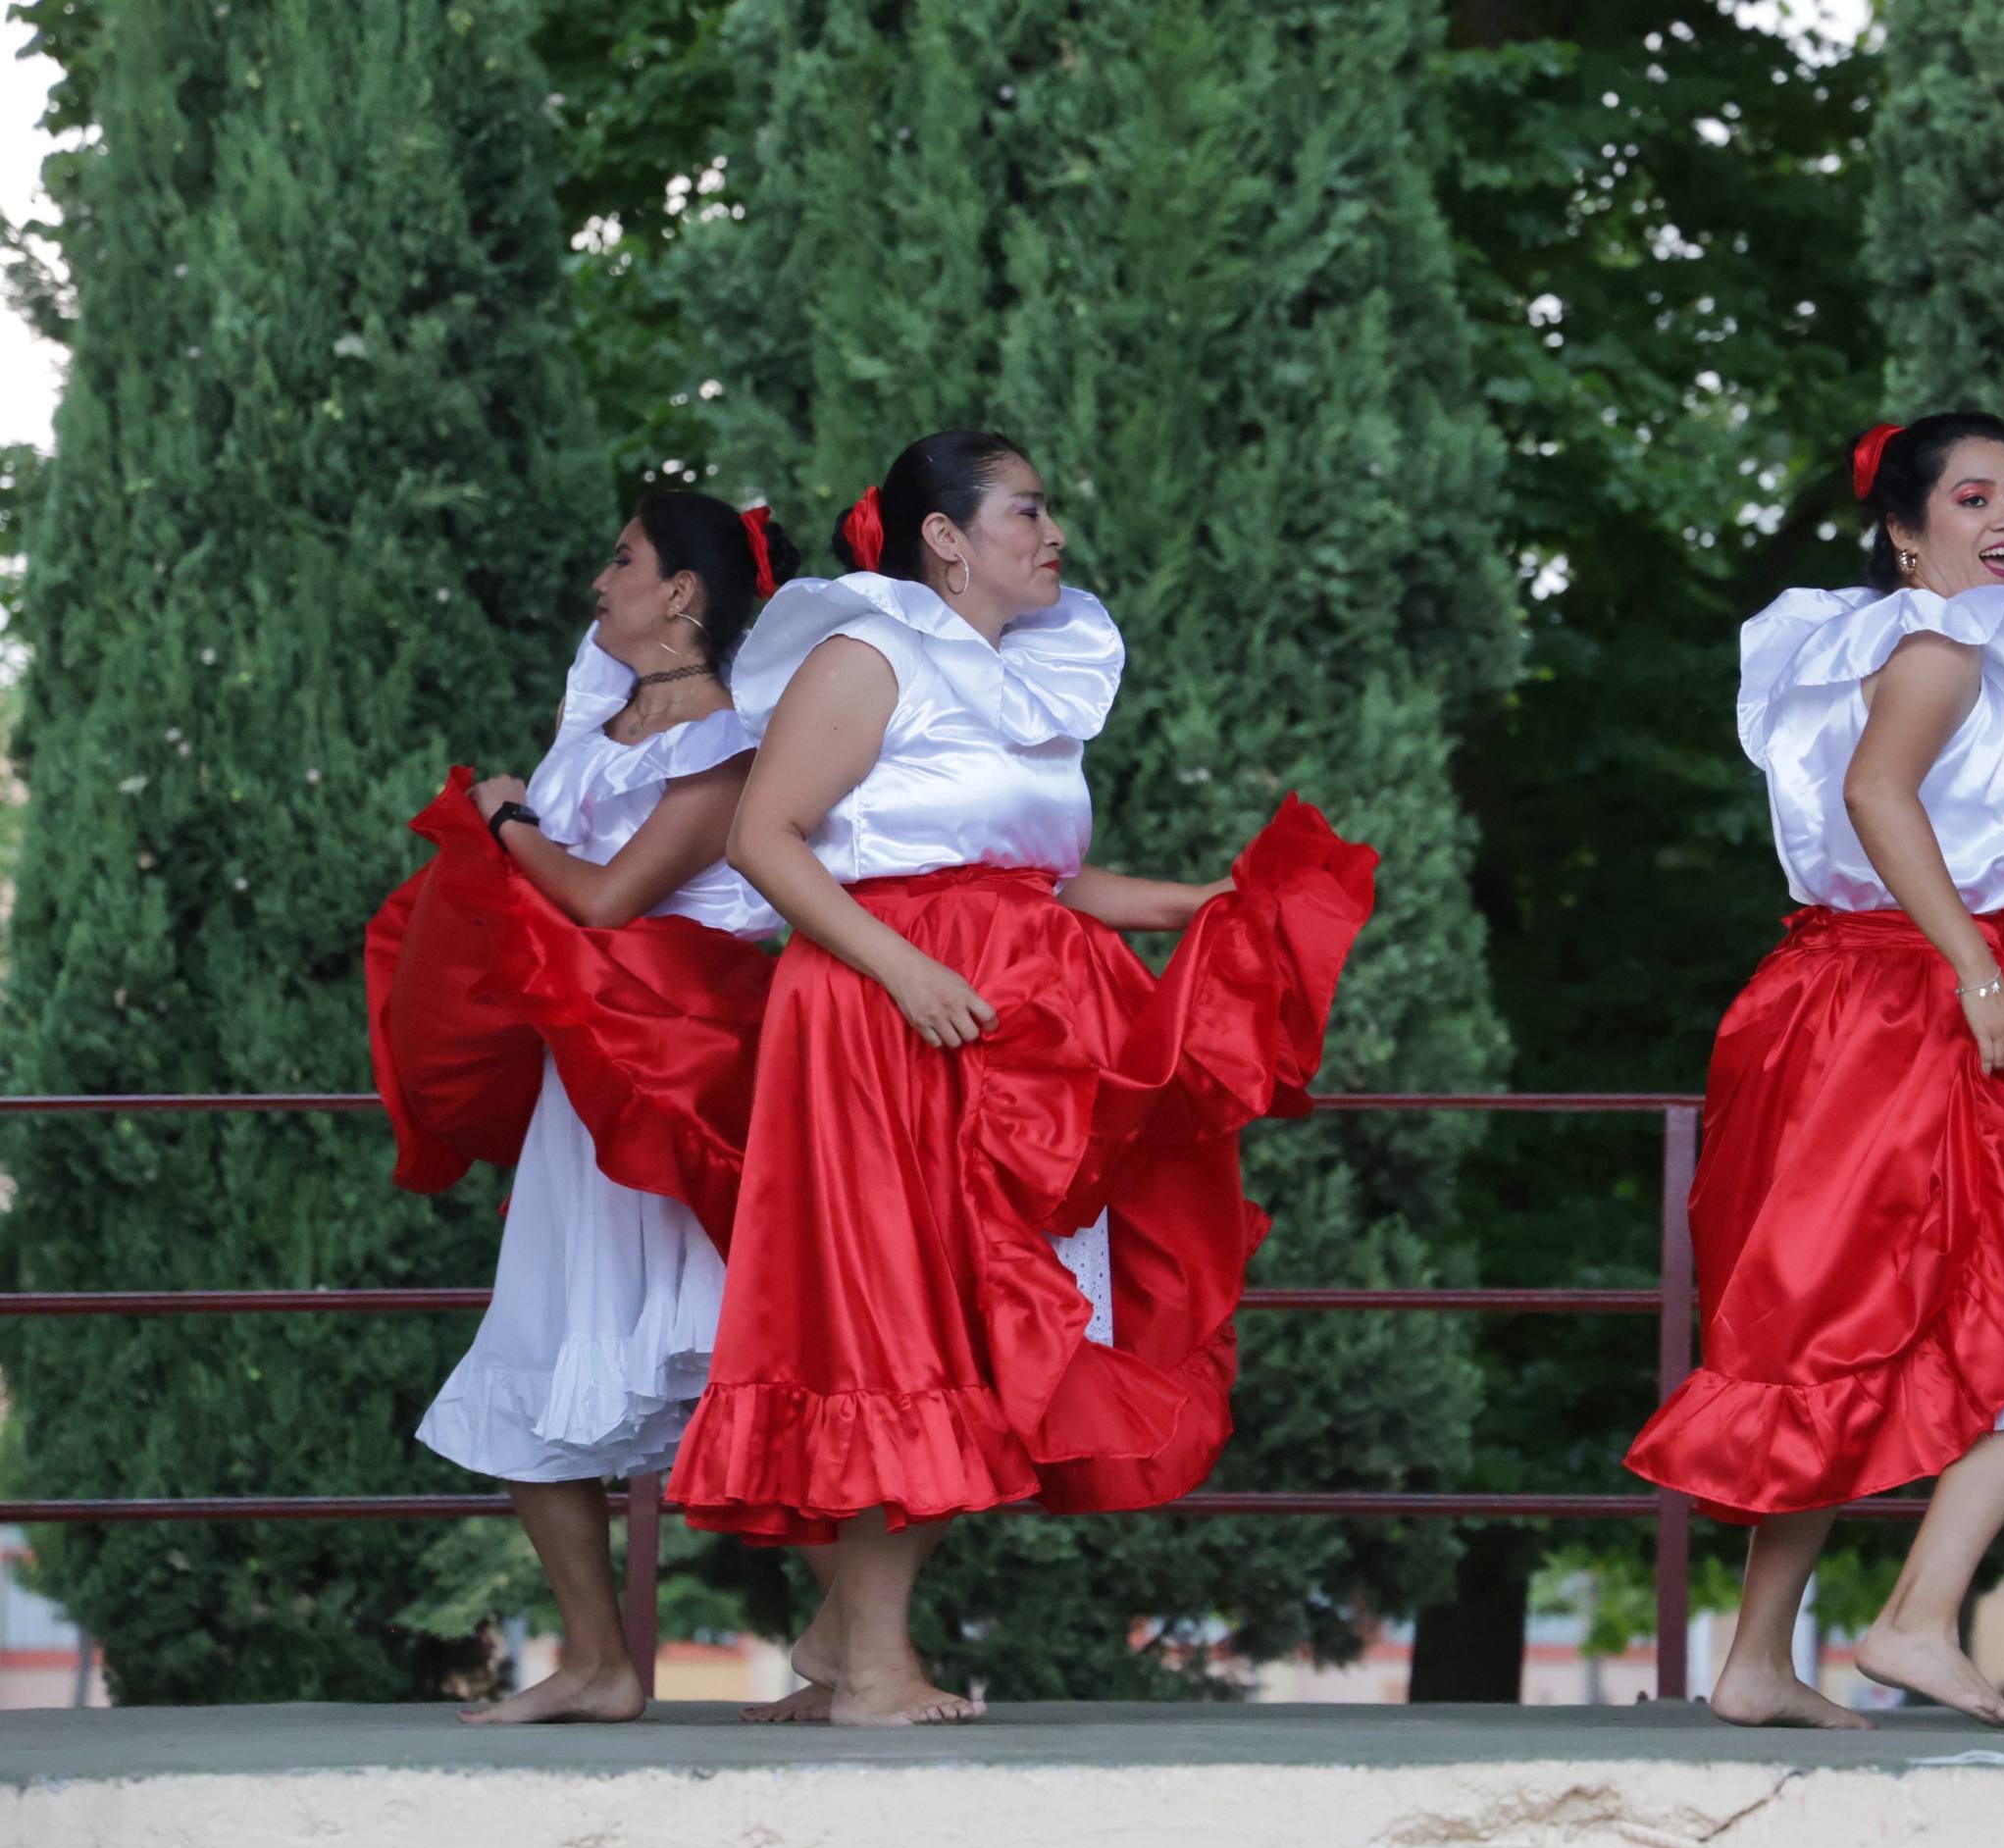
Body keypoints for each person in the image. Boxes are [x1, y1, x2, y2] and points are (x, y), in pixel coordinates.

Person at [666, 430, 1379, 1726]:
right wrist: (902, 974)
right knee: (902, 1323)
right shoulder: (866, 649)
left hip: (1012, 1036)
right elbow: (760, 839)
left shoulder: (1026, 675)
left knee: (990, 1332)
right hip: (886, 1024)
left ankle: (844, 1639)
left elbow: (1046, 880)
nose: (1052, 535)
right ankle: (872, 1666)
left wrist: (1212, 905)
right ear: (944, 536)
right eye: (1027, 511)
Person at [1624, 414, 2004, 1730]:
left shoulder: (1893, 642)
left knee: (1831, 1323)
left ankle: (1754, 1660)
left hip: (1842, 999)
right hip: (1908, 1006)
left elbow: (1931, 811)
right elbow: (1881, 799)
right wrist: (1978, 969)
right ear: (1907, 530)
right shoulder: (1943, 645)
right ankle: (1912, 1620)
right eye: (1971, 499)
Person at [367, 492, 797, 1723]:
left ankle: (849, 1650)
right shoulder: (597, 714)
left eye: (625, 560)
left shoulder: (722, 746)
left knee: (758, 1364)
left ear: (683, 597)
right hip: (587, 1094)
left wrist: (505, 820)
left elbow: (606, 903)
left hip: (684, 1089)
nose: (600, 579)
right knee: (537, 1353)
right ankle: (603, 1664)